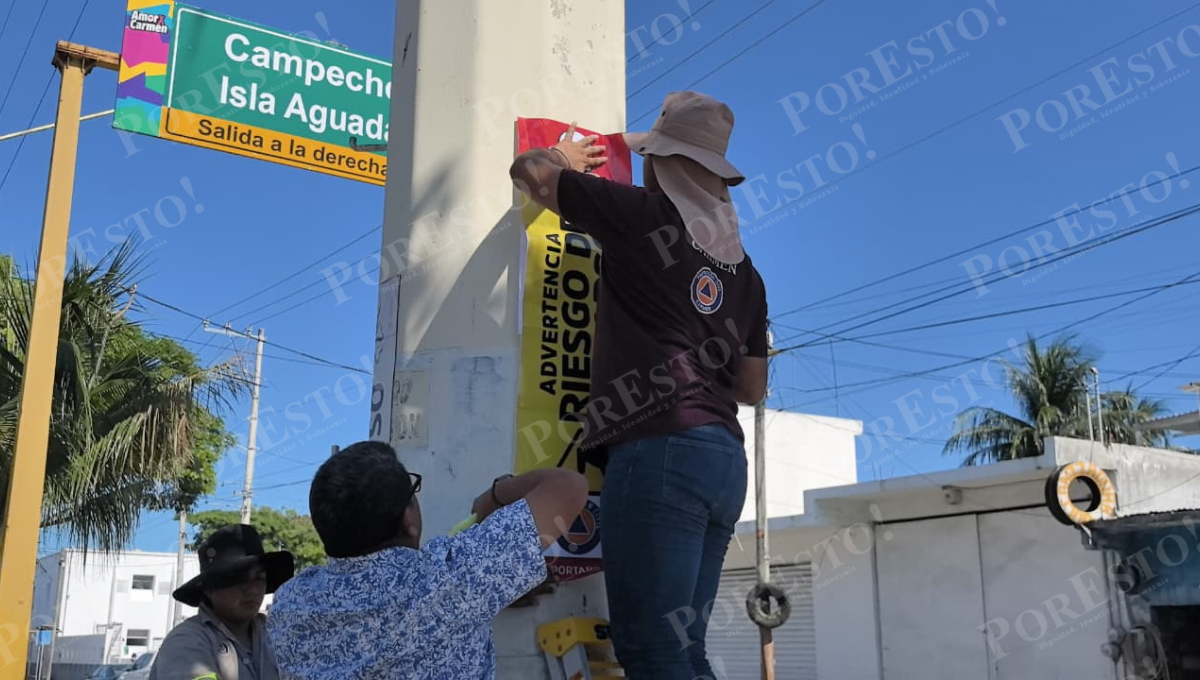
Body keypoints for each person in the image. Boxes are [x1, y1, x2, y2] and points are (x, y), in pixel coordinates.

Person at [509, 91, 769, 678]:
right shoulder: (747, 273)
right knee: (684, 648)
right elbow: (752, 387)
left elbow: (530, 171)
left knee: (650, 651)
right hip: (723, 460)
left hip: (661, 451)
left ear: (664, 164)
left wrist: (576, 153)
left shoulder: (643, 217)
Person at [266, 439, 588, 679]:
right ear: (410, 521)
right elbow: (570, 486)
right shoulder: (448, 579)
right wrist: (495, 494)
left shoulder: (289, 603)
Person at [150, 524, 295, 680]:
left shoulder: (278, 634)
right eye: (239, 578)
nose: (252, 589)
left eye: (259, 578)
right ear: (209, 589)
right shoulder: (186, 642)